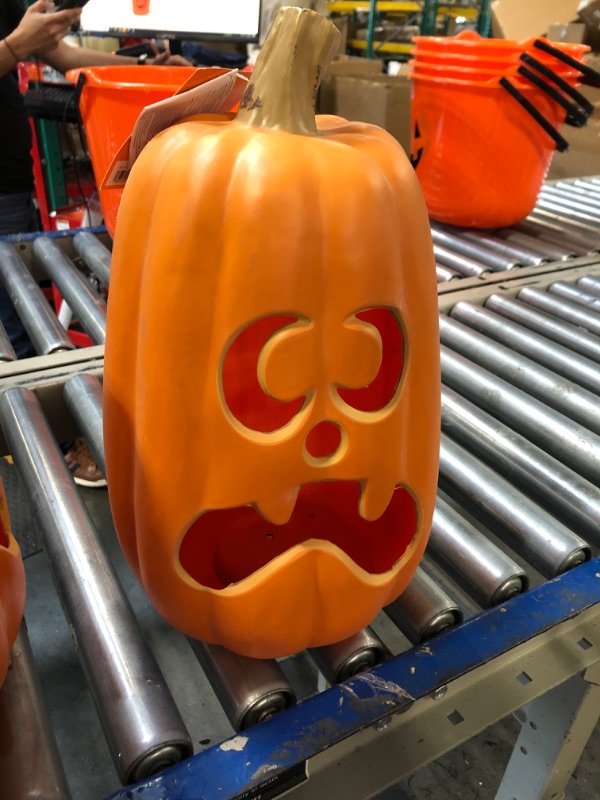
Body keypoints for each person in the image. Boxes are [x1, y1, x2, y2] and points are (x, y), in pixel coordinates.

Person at [0, 0, 190, 486]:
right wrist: (16, 46)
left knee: (19, 318)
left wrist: (146, 65)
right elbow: (23, 48)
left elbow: (60, 55)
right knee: (17, 337)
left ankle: (64, 438)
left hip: (8, 178)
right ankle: (58, 447)